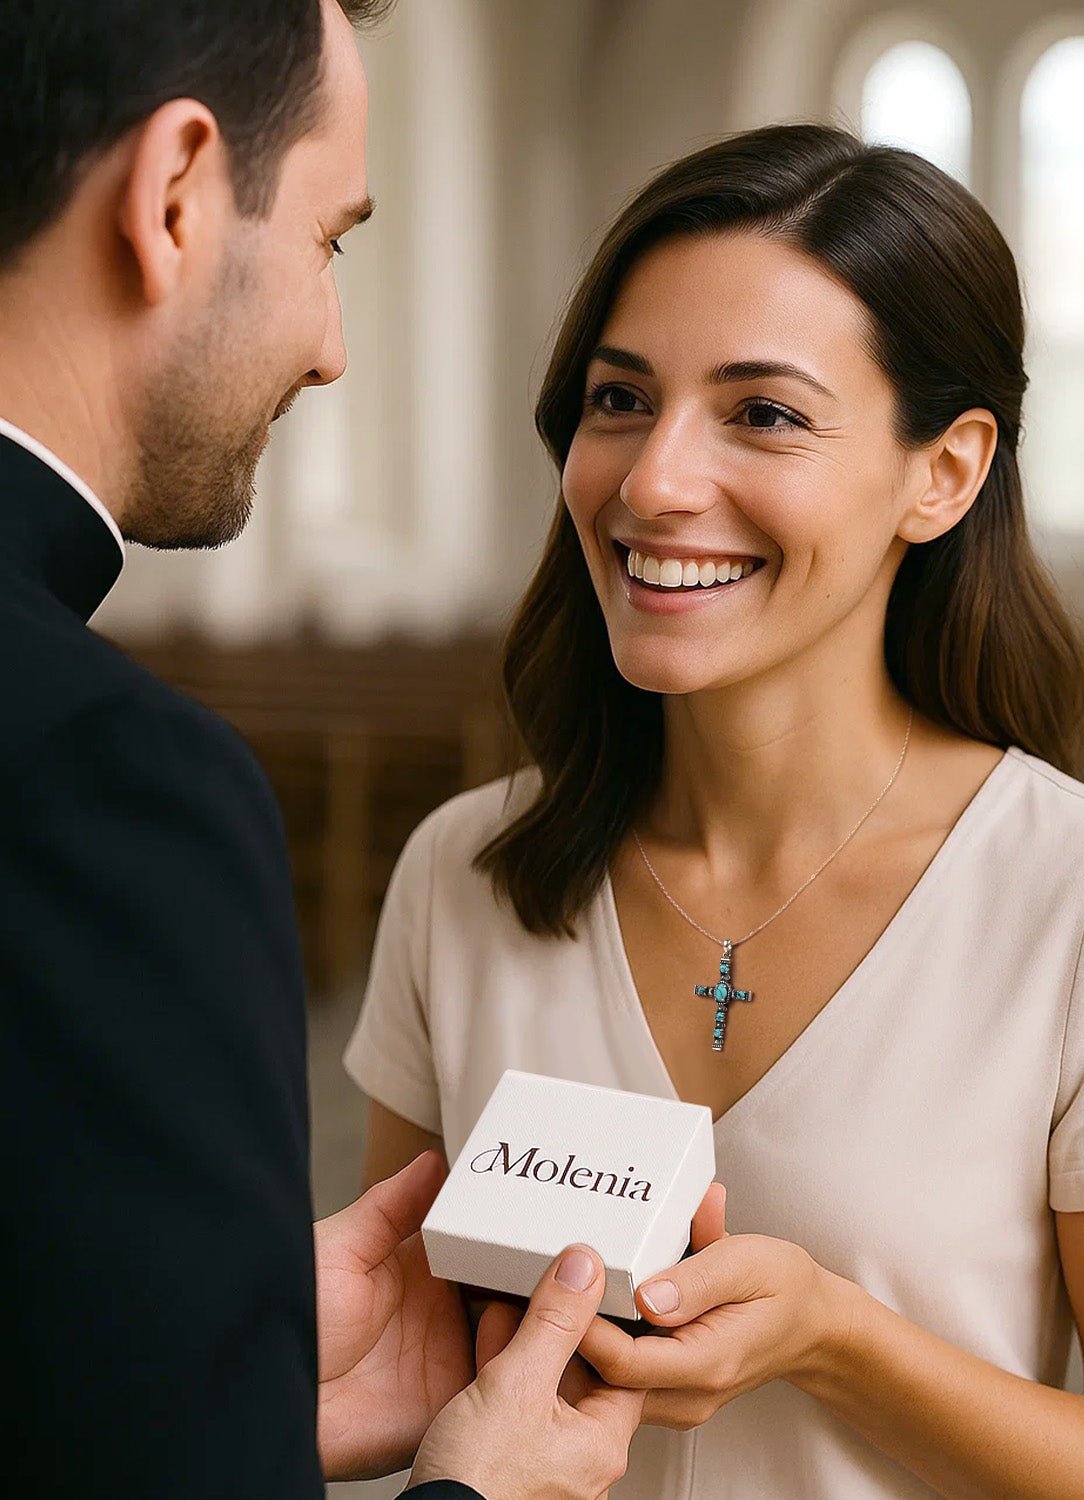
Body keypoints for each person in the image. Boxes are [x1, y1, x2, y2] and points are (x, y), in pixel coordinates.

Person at [346, 123, 1084, 1498]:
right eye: (620, 399)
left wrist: (839, 1342)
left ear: (947, 472)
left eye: (765, 413)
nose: (652, 480)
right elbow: (411, 1341)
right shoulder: (465, 871)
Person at [0, 2, 648, 1495]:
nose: (333, 348)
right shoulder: (113, 794)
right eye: (329, 240)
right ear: (174, 196)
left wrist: (175, 1370)